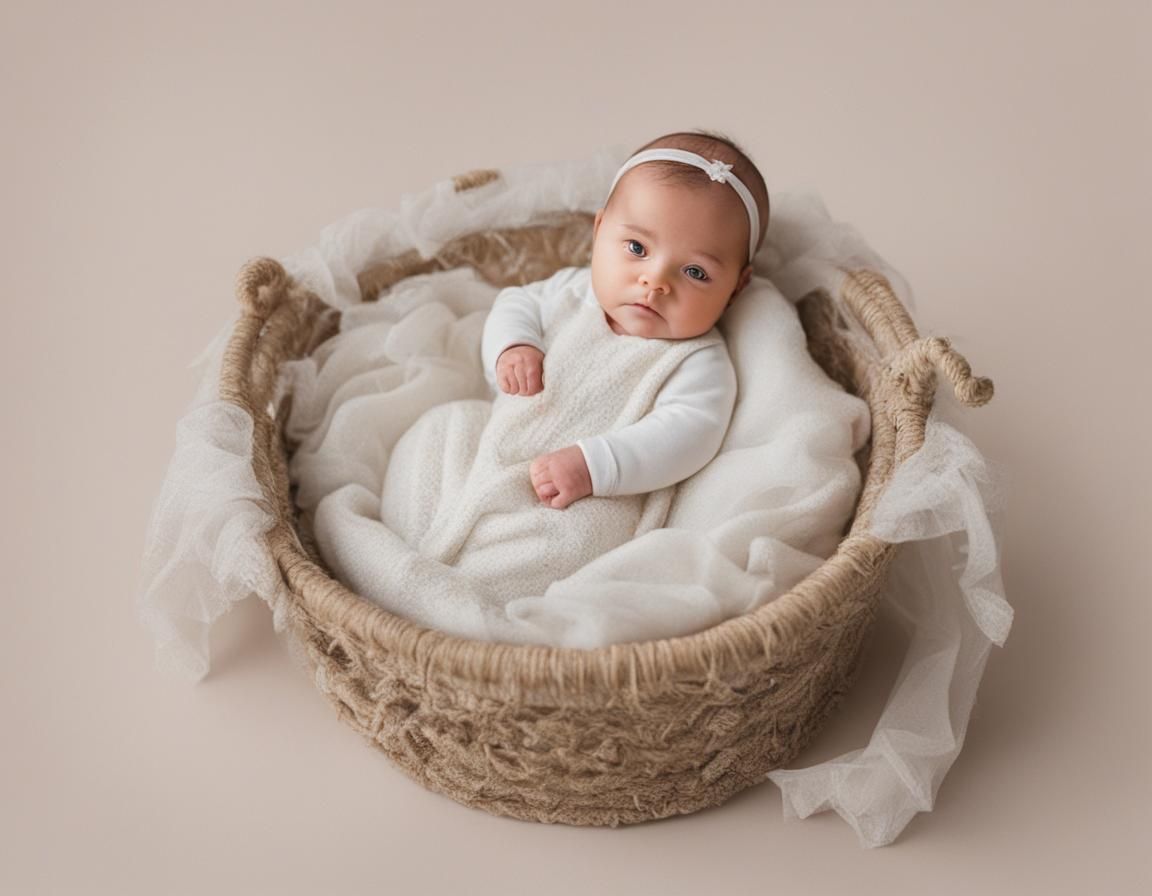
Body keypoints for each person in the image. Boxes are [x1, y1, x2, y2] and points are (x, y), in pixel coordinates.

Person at [482, 129, 771, 509]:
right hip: (496, 442)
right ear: (599, 230)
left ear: (736, 288)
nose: (655, 281)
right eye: (637, 248)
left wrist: (593, 466)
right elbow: (515, 303)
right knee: (437, 433)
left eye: (695, 272)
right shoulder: (572, 291)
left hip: (587, 495)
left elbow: (688, 435)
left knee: (569, 539)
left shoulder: (696, 361)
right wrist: (514, 345)